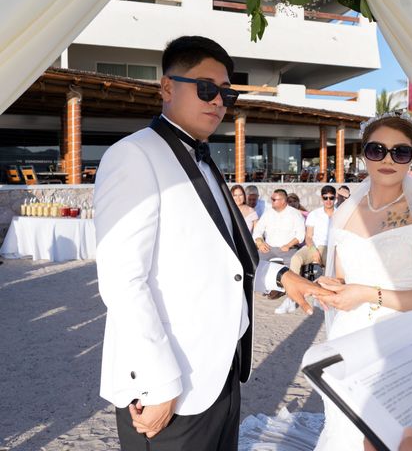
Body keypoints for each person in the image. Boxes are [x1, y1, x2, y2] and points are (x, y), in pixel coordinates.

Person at [93, 35, 318, 451]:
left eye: (226, 93)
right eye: (206, 88)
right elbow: (122, 281)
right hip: (171, 385)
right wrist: (159, 382)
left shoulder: (206, 160)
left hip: (222, 373)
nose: (218, 101)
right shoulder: (134, 156)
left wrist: (283, 276)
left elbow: (231, 255)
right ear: (166, 88)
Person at [308, 113, 412, 450]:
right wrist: (332, 287)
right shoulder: (346, 210)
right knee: (344, 431)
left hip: (396, 342)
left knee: (384, 436)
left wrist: (366, 294)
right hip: (347, 336)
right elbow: (340, 276)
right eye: (377, 149)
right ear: (363, 153)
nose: (387, 159)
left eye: (400, 152)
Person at [276, 185, 336, 315]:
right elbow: (308, 237)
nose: (328, 201)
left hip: (331, 247)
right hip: (313, 245)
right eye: (326, 198)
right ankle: (291, 298)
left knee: (334, 263)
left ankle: (324, 296)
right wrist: (314, 250)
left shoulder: (340, 214)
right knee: (296, 259)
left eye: (331, 197)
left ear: (335, 198)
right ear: (322, 198)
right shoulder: (315, 214)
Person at [252, 188, 306, 295]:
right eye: (272, 199)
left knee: (292, 264)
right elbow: (257, 231)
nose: (271, 201)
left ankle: (289, 289)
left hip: (288, 248)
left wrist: (288, 245)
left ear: (283, 201)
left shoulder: (295, 214)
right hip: (269, 247)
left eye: (274, 199)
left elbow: (301, 235)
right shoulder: (268, 213)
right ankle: (266, 287)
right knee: (256, 260)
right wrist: (260, 243)